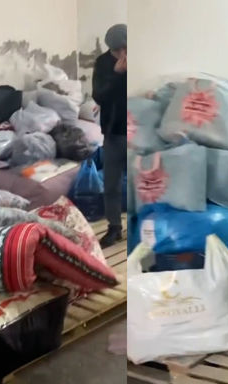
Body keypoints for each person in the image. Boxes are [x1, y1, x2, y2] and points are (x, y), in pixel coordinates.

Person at [93, 23, 127, 248]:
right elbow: (98, 96)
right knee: (111, 183)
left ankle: (141, 225)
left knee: (142, 182)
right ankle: (114, 227)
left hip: (136, 131)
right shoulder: (103, 63)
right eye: (117, 50)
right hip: (113, 132)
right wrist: (116, 74)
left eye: (125, 48)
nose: (122, 53)